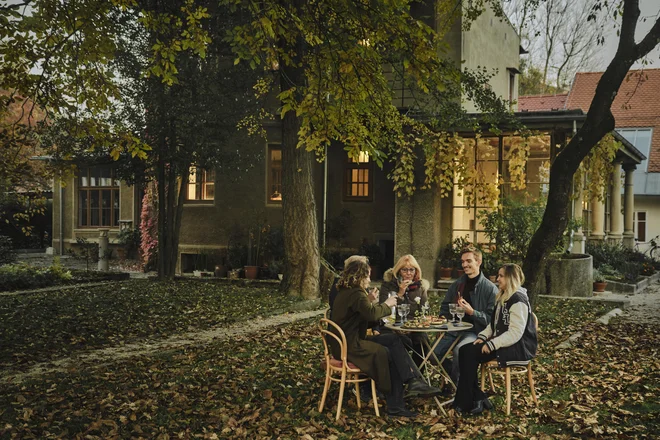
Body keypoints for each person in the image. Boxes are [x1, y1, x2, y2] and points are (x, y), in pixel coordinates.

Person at [330, 256, 441, 418]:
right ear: (360, 276)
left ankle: (413, 380)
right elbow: (372, 314)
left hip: (348, 341)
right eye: (367, 275)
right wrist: (387, 304)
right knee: (388, 354)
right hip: (349, 346)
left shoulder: (349, 291)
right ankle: (396, 406)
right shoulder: (355, 293)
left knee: (393, 340)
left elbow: (364, 317)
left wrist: (370, 302)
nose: (369, 279)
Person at [453, 263, 538, 415]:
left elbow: (515, 333)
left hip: (517, 347)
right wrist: (483, 337)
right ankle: (476, 397)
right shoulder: (504, 296)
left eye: (501, 276)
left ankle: (467, 401)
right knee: (465, 350)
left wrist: (492, 344)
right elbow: (493, 325)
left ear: (511, 278)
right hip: (503, 343)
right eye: (498, 276)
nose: (497, 279)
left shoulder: (518, 300)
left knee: (469, 354)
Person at [433, 245, 497, 384]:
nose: (464, 265)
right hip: (454, 329)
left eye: (468, 261)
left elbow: (492, 321)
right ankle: (455, 376)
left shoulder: (490, 289)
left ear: (478, 262)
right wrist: (443, 319)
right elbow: (445, 307)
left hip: (475, 331)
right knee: (432, 353)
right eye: (462, 262)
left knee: (459, 351)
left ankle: (459, 388)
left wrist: (472, 312)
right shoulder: (457, 284)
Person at [379, 255, 429, 365]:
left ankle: (418, 375)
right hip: (392, 326)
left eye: (412, 269)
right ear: (398, 271)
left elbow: (424, 311)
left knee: (422, 341)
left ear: (416, 271)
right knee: (402, 342)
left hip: (412, 327)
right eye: (404, 269)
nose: (408, 273)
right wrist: (400, 293)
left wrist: (413, 326)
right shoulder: (388, 285)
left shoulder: (420, 287)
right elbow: (384, 310)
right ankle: (405, 374)